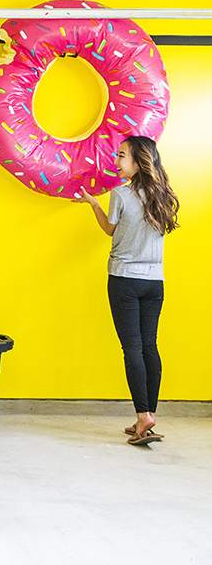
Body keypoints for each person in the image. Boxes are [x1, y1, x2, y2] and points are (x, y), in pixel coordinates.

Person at [77, 136, 179, 446]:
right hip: (154, 282)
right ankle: (146, 417)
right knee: (150, 345)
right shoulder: (163, 195)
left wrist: (94, 204)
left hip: (124, 279)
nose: (117, 160)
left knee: (132, 348)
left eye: (122, 156)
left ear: (138, 161)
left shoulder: (120, 195)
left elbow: (110, 231)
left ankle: (143, 415)